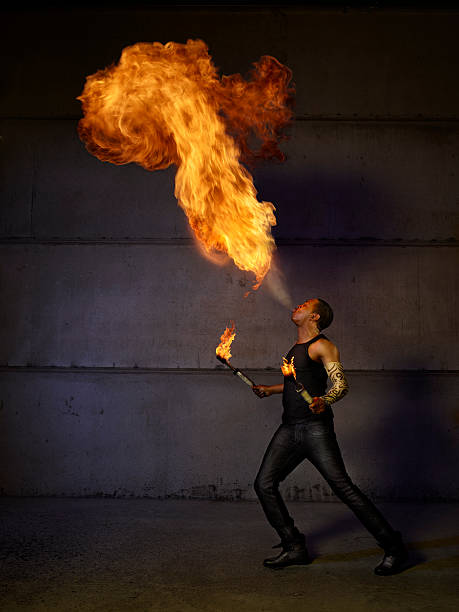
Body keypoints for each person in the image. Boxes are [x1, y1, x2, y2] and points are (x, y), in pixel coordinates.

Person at [252, 298, 407, 575]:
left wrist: (325, 400)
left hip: (315, 429)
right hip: (289, 428)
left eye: (305, 305)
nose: (297, 306)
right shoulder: (295, 349)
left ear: (314, 317)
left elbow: (341, 384)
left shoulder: (322, 345)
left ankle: (394, 547)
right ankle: (294, 546)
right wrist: (270, 389)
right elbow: (295, 384)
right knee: (264, 484)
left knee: (344, 488)